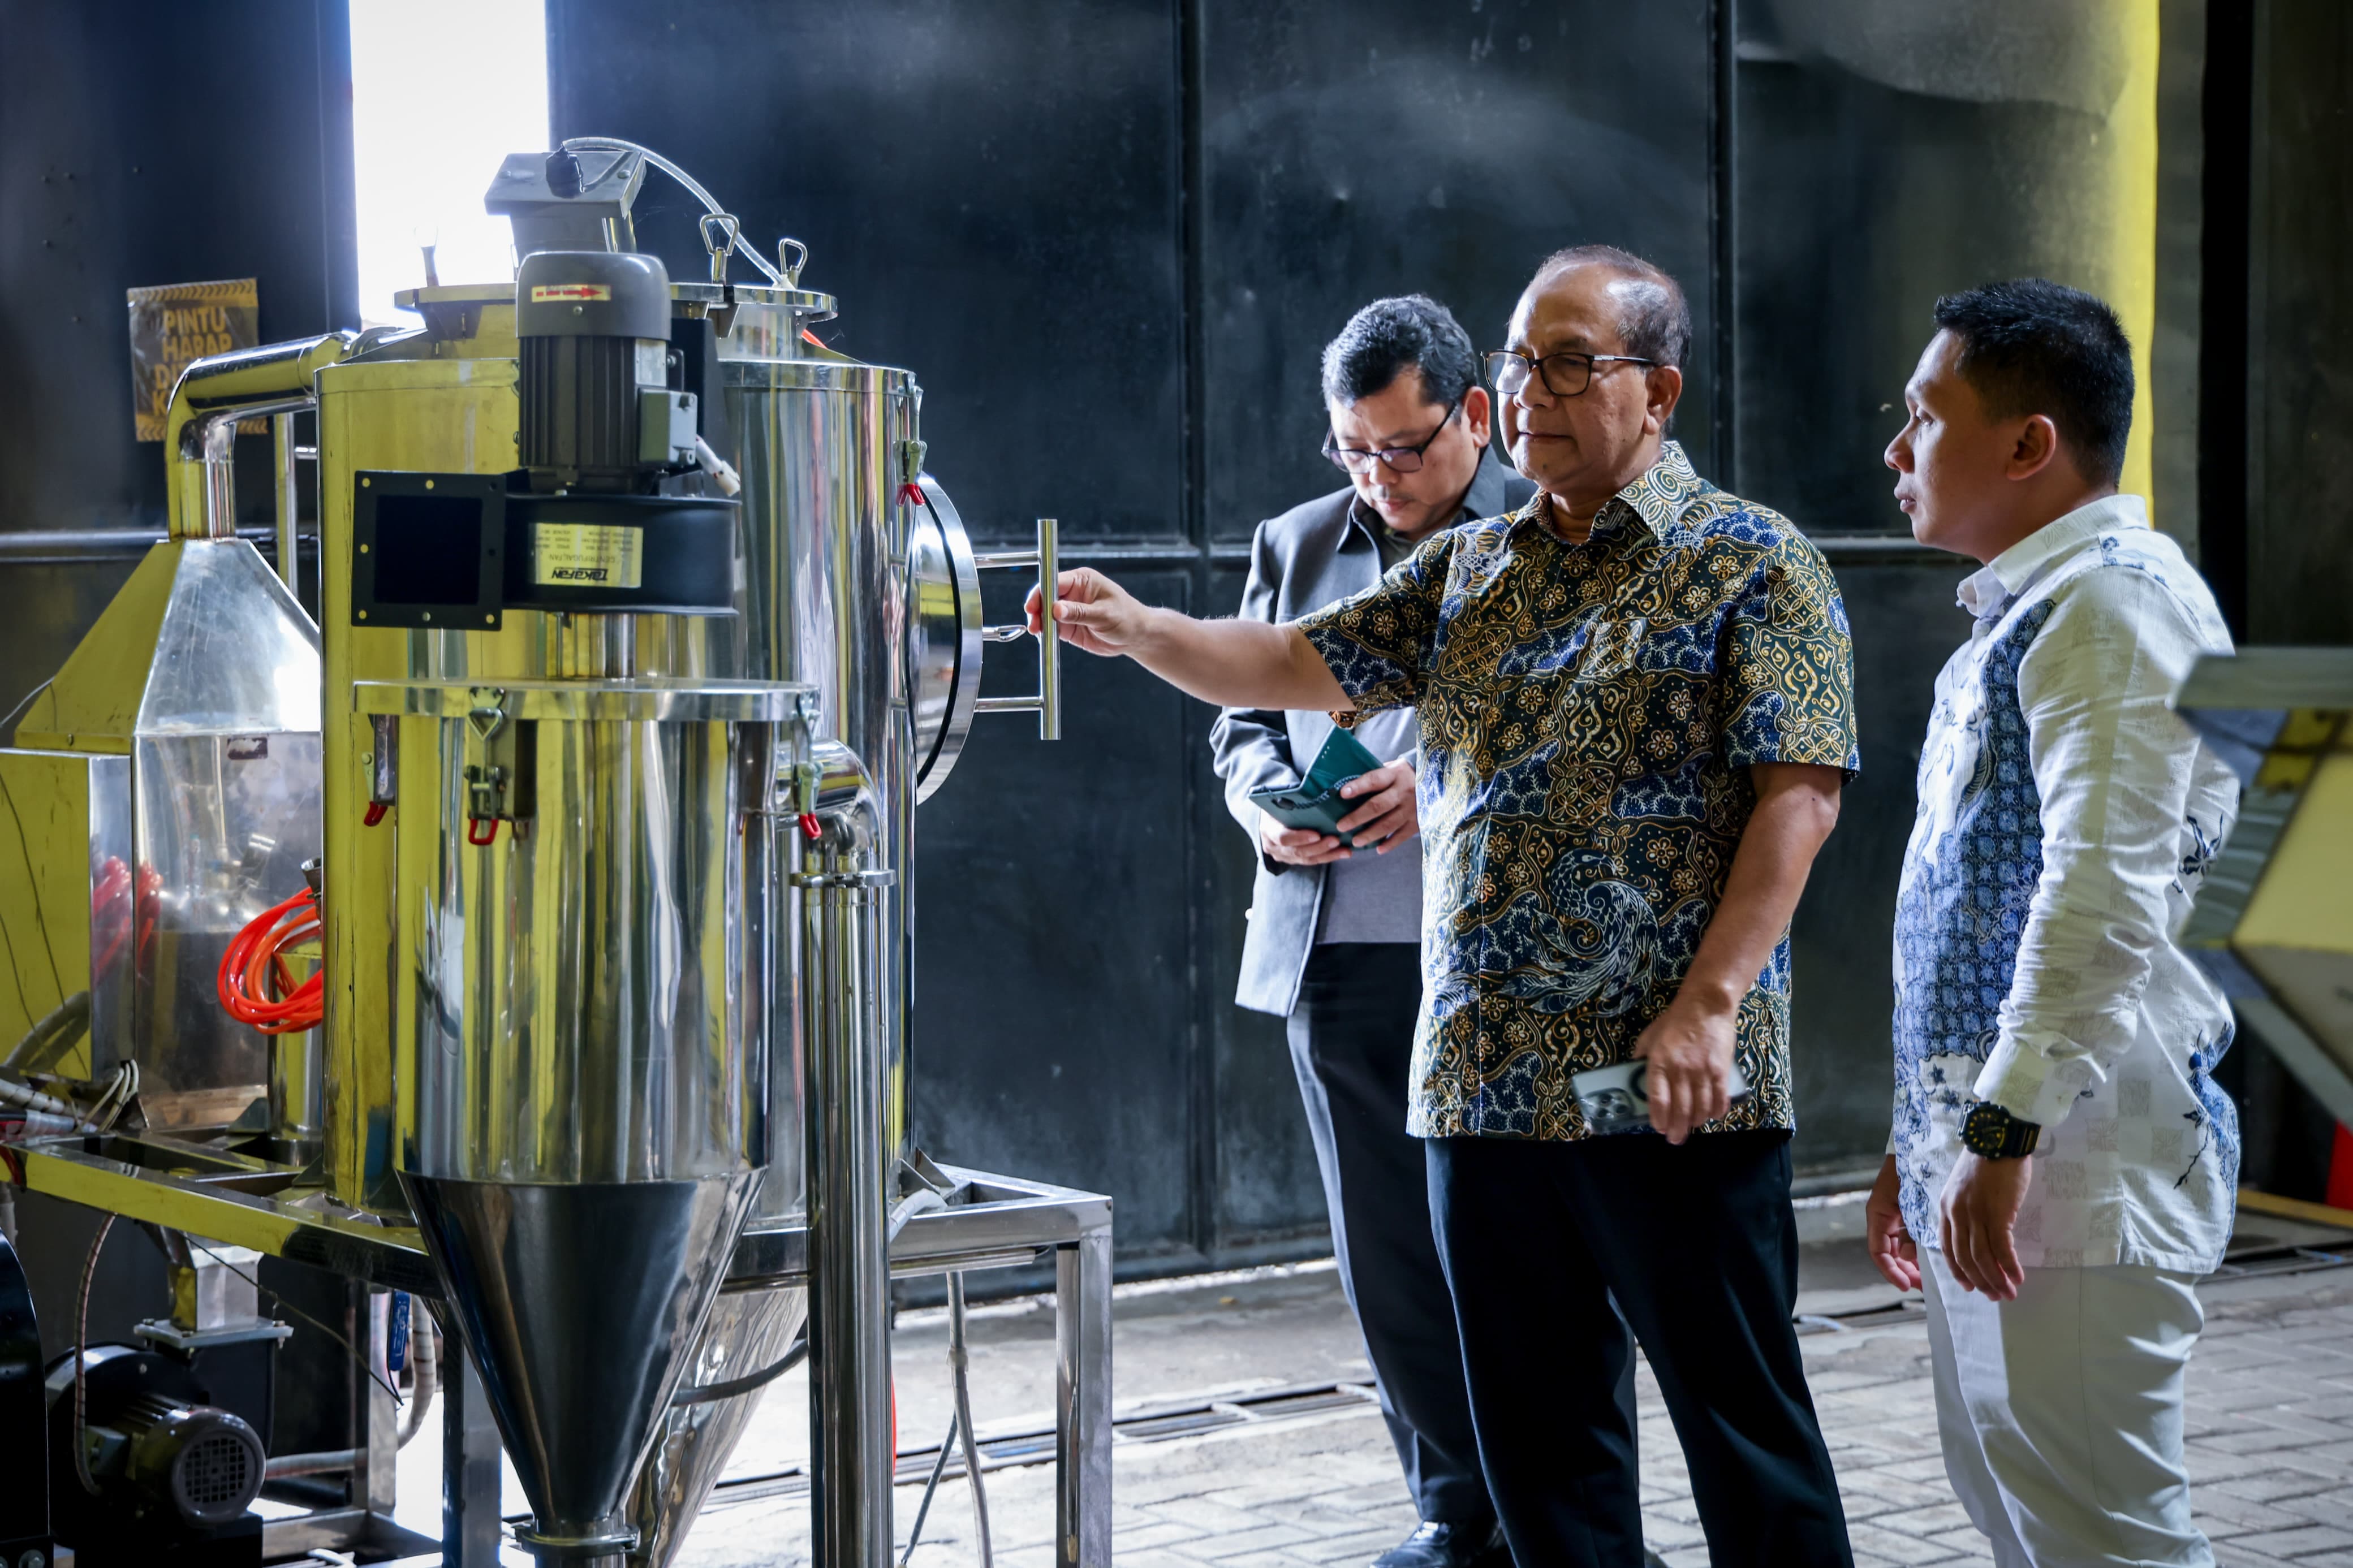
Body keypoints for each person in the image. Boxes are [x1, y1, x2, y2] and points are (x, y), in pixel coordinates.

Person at [1035, 246, 1859, 1568]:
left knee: (1740, 1431)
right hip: (1481, 1095)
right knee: (1542, 1455)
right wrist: (1142, 629)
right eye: (1520, 359)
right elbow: (1294, 660)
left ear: (1660, 389)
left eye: (1570, 363)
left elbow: (1798, 799)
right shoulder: (1473, 572)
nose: (1529, 390)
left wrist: (1708, 1007)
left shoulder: (1755, 563)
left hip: (1664, 1087)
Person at [1866, 279, 2239, 1567]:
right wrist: (1928, 1135)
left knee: (2103, 1539)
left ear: (2028, 444)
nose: (1895, 448)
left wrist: (1999, 1126)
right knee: (2030, 1517)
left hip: (2078, 1159)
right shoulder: (2042, 604)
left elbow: (2101, 890)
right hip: (2009, 1147)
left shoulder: (2109, 603)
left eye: (1923, 415)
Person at [1210, 294, 1532, 1568]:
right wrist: (1255, 804)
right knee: (1387, 1257)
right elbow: (1235, 712)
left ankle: (1552, 1514)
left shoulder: (1549, 529)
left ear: (1474, 415)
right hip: (1335, 947)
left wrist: (1440, 779)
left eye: (1403, 448)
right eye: (1353, 449)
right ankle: (1456, 1515)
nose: (1378, 475)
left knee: (1521, 1258)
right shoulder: (1295, 542)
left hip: (1502, 959)